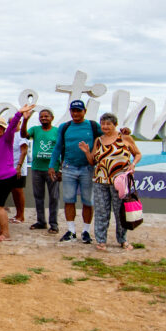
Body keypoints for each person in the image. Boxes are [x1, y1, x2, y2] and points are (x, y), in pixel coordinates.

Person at [79, 113, 142, 251]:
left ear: (115, 125)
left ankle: (122, 240)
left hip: (120, 182)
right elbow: (92, 161)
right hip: (100, 181)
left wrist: (133, 164)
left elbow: (137, 153)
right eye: (103, 124)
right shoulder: (98, 140)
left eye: (108, 124)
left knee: (120, 212)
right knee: (102, 212)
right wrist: (86, 152)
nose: (105, 127)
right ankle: (101, 241)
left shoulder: (125, 138)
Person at [49, 100, 103, 244]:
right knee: (69, 200)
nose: (75, 113)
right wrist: (52, 166)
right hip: (68, 168)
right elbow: (58, 147)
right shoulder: (65, 127)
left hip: (87, 168)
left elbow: (107, 137)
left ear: (84, 111)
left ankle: (86, 231)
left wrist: (123, 133)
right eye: (73, 110)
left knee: (87, 201)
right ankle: (71, 231)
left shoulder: (92, 126)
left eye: (78, 111)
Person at [0, 105, 35, 242]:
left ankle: (5, 234)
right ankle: (1, 229)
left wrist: (19, 114)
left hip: (4, 178)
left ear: (3, 129)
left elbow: (12, 127)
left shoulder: (6, 138)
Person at [21, 108, 60, 233]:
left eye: (46, 116)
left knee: (54, 197)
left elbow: (62, 149)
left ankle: (53, 224)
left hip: (52, 169)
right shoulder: (35, 130)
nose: (43, 118)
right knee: (38, 197)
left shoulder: (57, 131)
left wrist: (60, 169)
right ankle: (41, 221)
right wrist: (25, 120)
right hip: (37, 169)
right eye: (41, 116)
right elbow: (23, 135)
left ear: (52, 118)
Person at [9, 129, 30, 224]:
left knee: (19, 190)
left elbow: (24, 151)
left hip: (19, 169)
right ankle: (17, 214)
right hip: (10, 167)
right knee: (14, 190)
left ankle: (21, 215)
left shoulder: (21, 135)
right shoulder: (10, 135)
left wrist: (19, 165)